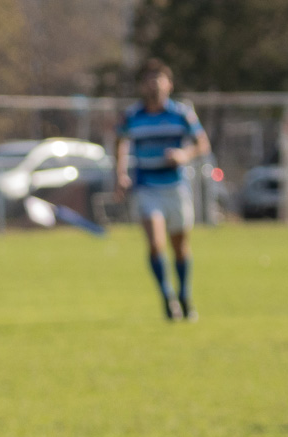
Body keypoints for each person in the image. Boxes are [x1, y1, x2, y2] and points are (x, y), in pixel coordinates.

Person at [114, 59, 209, 322]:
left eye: (159, 78)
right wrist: (120, 173)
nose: (154, 84)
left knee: (180, 248)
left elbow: (202, 143)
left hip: (176, 187)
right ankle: (168, 298)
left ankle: (185, 294)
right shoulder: (133, 115)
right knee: (156, 245)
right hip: (147, 188)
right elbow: (120, 140)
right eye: (148, 79)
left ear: (169, 84)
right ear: (142, 85)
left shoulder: (181, 113)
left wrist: (184, 154)